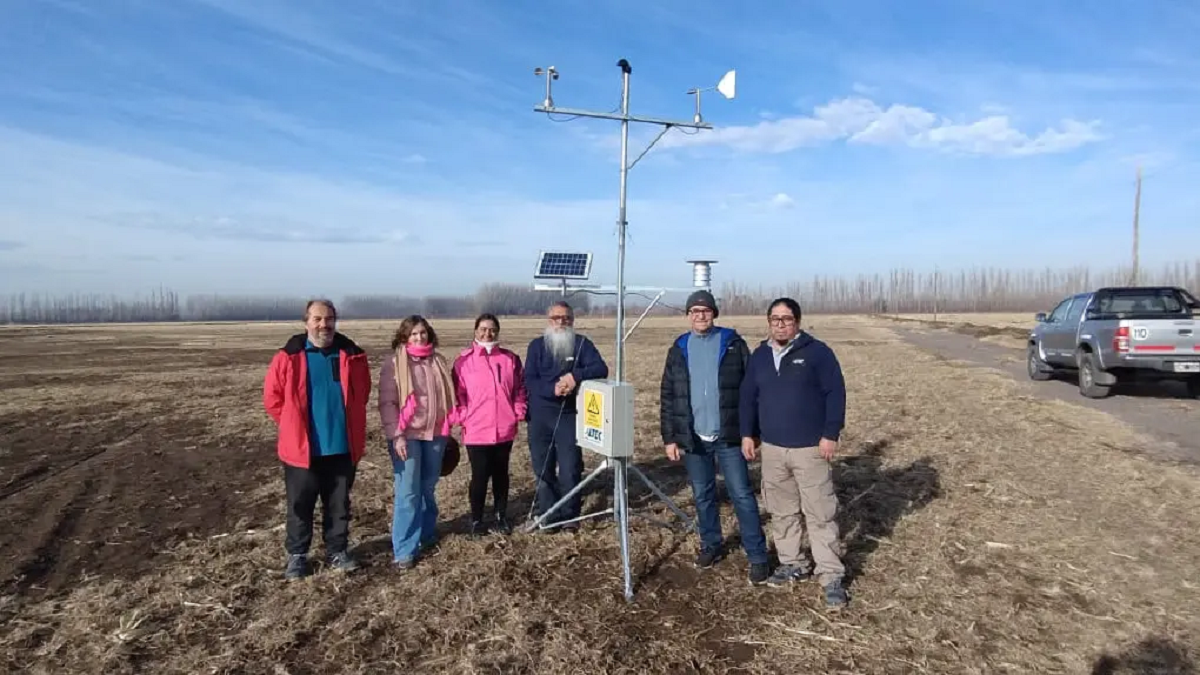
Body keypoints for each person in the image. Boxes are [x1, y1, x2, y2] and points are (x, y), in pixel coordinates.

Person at [739, 297, 849, 609]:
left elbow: (835, 394)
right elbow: (749, 396)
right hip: (773, 449)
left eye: (786, 319)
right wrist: (748, 434)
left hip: (809, 449)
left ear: (797, 322)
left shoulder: (817, 353)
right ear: (768, 322)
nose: (780, 324)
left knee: (819, 512)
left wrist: (830, 434)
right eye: (775, 319)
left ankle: (830, 575)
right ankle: (793, 563)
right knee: (782, 510)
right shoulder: (760, 356)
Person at [659, 290, 771, 586]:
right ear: (688, 315)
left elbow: (751, 393)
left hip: (729, 436)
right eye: (695, 311)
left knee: (742, 495)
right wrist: (671, 437)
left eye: (705, 310)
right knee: (703, 495)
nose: (700, 315)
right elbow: (669, 395)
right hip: (694, 438)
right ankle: (712, 545)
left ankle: (758, 556)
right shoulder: (679, 348)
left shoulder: (733, 344)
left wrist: (751, 432)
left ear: (714, 314)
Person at [262, 299, 370, 580]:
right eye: (318, 319)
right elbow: (272, 399)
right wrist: (292, 426)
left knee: (339, 504)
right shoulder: (288, 357)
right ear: (306, 321)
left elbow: (362, 394)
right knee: (300, 505)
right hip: (302, 450)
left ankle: (337, 550)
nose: (324, 325)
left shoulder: (352, 355)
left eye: (329, 319)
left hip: (341, 447)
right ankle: (297, 556)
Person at [378, 314, 459, 569]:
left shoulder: (438, 361)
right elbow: (388, 403)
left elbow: (448, 395)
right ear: (405, 337)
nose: (419, 337)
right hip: (408, 436)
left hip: (435, 433)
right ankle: (404, 549)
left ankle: (426, 532)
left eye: (422, 332)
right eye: (413, 333)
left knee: (427, 487)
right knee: (408, 492)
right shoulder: (394, 363)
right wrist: (397, 435)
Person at [523, 300, 609, 529]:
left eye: (566, 318)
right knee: (543, 467)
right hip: (539, 416)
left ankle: (570, 515)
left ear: (572, 320)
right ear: (548, 321)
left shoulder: (582, 344)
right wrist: (551, 389)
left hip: (569, 415)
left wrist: (575, 376)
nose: (561, 322)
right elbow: (529, 380)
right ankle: (548, 514)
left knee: (570, 467)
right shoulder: (536, 346)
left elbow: (601, 368)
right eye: (556, 318)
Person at [452, 313, 528, 537]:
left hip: (504, 428)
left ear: (498, 332)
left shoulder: (510, 359)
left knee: (501, 474)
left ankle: (500, 516)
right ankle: (476, 520)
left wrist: (518, 410)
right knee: (479, 475)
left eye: (492, 329)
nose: (488, 333)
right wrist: (463, 415)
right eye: (483, 329)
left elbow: (520, 389)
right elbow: (457, 394)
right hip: (476, 429)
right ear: (475, 331)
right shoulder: (463, 361)